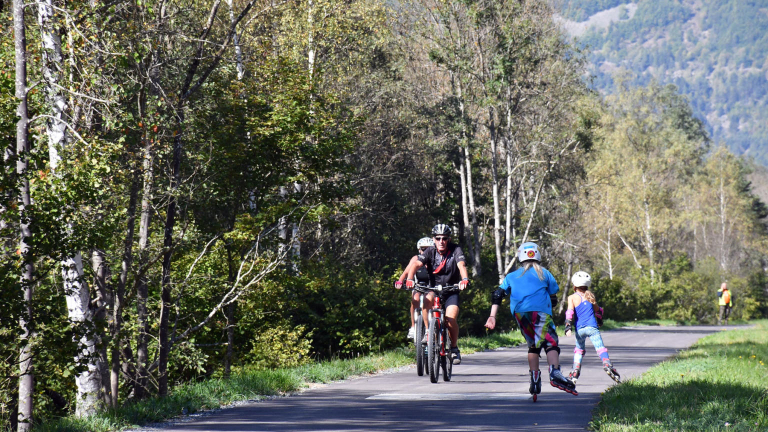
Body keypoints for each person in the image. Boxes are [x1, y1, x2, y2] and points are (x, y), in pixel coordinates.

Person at [485, 242, 577, 397]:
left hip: (520, 314)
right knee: (550, 342)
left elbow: (497, 294)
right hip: (540, 313)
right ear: (537, 256)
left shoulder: (512, 276)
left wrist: (492, 316)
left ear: (521, 257)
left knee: (533, 345)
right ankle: (554, 372)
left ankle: (534, 377)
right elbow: (553, 295)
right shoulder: (545, 273)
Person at [406, 224, 469, 364]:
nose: (441, 241)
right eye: (438, 238)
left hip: (451, 290)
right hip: (433, 289)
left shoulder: (455, 250)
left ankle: (453, 348)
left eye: (444, 238)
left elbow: (461, 265)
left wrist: (464, 279)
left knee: (450, 319)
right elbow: (416, 265)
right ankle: (429, 331)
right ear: (434, 239)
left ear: (449, 239)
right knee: (426, 299)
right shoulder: (429, 251)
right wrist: (409, 278)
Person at [564, 271, 620, 383]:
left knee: (579, 350)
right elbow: (598, 311)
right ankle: (607, 364)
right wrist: (599, 320)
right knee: (600, 348)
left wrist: (568, 326)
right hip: (593, 328)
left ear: (574, 286)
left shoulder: (572, 297)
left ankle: (575, 371)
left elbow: (570, 312)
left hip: (580, 329)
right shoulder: (590, 296)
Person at [395, 237, 434, 339]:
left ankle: (432, 327)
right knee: (415, 299)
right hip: (419, 285)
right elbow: (406, 272)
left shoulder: (435, 259)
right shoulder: (416, 259)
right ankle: (413, 327)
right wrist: (400, 281)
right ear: (419, 249)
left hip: (432, 286)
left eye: (428, 249)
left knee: (430, 301)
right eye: (423, 249)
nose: (425, 251)